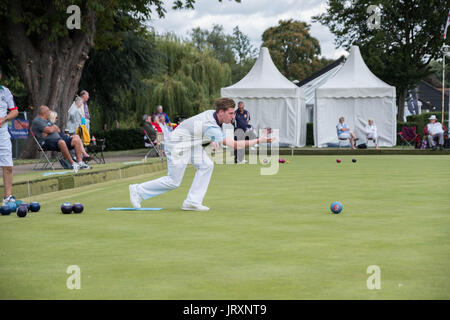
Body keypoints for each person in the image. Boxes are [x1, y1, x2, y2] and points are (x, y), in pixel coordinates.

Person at [129, 97, 274, 211]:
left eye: (233, 113)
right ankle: (137, 190)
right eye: (230, 113)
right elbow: (235, 145)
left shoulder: (212, 114)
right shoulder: (211, 124)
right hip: (177, 145)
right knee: (173, 181)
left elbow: (197, 128)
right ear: (221, 112)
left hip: (190, 143)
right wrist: (260, 139)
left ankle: (192, 202)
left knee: (207, 165)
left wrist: (212, 140)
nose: (233, 116)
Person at [31, 105, 89, 173]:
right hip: (46, 142)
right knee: (61, 142)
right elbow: (49, 130)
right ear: (44, 113)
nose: (49, 113)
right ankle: (73, 163)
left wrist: (51, 129)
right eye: (48, 112)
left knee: (76, 138)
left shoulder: (47, 120)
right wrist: (51, 129)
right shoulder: (37, 121)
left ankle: (80, 162)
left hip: (58, 139)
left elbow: (57, 129)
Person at [0, 68, 19, 206]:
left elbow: (14, 111)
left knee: (8, 166)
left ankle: (7, 197)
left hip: (2, 133)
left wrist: (4, 118)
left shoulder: (5, 91)